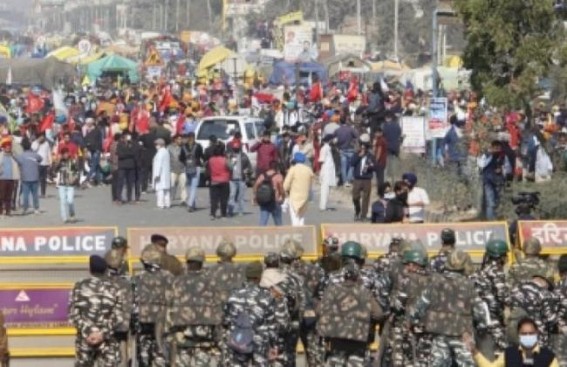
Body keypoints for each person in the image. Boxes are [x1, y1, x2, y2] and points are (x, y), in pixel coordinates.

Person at [409, 250, 488, 367]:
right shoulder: (468, 284)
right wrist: (482, 327)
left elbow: (419, 306)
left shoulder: (435, 281)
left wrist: (414, 322)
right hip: (463, 336)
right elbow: (480, 311)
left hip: (439, 335)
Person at [317, 262, 383, 367]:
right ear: (357, 277)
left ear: (343, 276)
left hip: (336, 338)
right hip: (358, 340)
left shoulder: (331, 290)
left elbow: (318, 310)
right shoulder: (365, 293)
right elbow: (379, 314)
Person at [168, 248, 223, 366]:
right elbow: (219, 309)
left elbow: (170, 309)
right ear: (202, 262)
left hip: (182, 335)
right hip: (205, 336)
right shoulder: (212, 282)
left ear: (187, 262)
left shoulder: (177, 282)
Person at [69, 255, 123, 367]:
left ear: (90, 269)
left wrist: (89, 332)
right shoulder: (114, 287)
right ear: (105, 269)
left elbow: (73, 314)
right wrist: (102, 334)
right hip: (108, 342)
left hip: (85, 341)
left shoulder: (79, 286)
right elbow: (118, 316)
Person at [222, 261, 278, 366]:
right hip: (260, 343)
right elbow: (272, 326)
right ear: (259, 276)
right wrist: (273, 345)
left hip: (239, 341)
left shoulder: (234, 296)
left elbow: (226, 321)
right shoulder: (267, 297)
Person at [131, 245, 174, 367]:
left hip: (143, 328)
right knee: (162, 360)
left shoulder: (137, 279)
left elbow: (132, 306)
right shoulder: (169, 278)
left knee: (144, 361)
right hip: (164, 328)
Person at [471, 239, 510, 358]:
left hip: (478, 317)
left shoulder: (481, 271)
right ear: (501, 257)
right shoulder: (496, 271)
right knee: (503, 349)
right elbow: (503, 295)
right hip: (492, 317)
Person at [472, 317, 559, 367]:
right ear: (519, 334)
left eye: (531, 333)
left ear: (536, 333)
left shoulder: (548, 357)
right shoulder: (509, 354)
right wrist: (474, 352)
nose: (528, 336)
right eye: (524, 334)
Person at [507, 270, 557, 347]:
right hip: (537, 338)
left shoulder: (515, 289)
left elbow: (510, 307)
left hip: (516, 334)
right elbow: (550, 319)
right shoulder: (544, 293)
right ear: (544, 281)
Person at [104, 249, 133, 367]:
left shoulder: (101, 282)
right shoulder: (127, 283)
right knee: (123, 357)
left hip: (104, 329)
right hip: (122, 329)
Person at [478, 140, 511, 220]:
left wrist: (502, 170)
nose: (497, 150)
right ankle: (491, 221)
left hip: (499, 182)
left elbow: (509, 169)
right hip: (488, 182)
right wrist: (490, 155)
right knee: (490, 202)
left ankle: (497, 218)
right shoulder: (486, 155)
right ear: (492, 148)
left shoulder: (503, 156)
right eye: (495, 148)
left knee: (498, 202)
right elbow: (481, 165)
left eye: (498, 148)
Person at [283, 152, 314, 226]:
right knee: (301, 218)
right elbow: (310, 185)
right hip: (305, 197)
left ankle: (296, 235)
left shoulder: (293, 169)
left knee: (295, 218)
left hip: (294, 197)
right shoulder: (309, 170)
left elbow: (285, 185)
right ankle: (302, 234)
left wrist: (285, 192)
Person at [14, 138, 42, 215]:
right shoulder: (35, 155)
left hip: (25, 177)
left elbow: (17, 160)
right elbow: (40, 159)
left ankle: (25, 208)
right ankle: (36, 208)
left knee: (25, 194)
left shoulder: (22, 156)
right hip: (35, 177)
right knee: (35, 194)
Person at [253, 160, 285, 226]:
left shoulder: (262, 175)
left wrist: (256, 196)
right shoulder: (278, 176)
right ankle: (280, 235)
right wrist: (283, 197)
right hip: (275, 201)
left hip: (264, 201)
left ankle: (260, 235)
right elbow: (281, 189)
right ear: (277, 168)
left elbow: (255, 186)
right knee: (278, 222)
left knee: (263, 222)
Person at [351, 141, 375, 222]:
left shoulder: (370, 156)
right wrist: (359, 156)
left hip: (367, 179)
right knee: (355, 197)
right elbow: (352, 163)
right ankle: (357, 210)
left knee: (366, 197)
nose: (362, 149)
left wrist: (371, 166)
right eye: (361, 147)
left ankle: (363, 215)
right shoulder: (356, 154)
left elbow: (375, 166)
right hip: (357, 178)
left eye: (364, 148)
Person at [179, 132, 204, 212]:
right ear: (194, 137)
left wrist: (186, 162)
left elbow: (181, 158)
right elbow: (201, 156)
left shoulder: (183, 147)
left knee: (189, 186)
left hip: (187, 167)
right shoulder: (198, 146)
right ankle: (190, 204)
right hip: (196, 167)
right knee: (194, 186)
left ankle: (193, 204)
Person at [227, 139, 252, 217]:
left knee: (241, 196)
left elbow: (249, 167)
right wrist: (230, 162)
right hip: (232, 179)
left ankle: (240, 211)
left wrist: (247, 171)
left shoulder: (244, 156)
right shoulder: (229, 156)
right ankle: (230, 211)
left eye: (237, 148)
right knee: (232, 195)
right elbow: (228, 167)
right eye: (234, 148)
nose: (235, 149)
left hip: (241, 179)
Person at [54, 147, 79, 223]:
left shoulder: (72, 162)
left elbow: (77, 172)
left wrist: (74, 179)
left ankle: (72, 214)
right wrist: (58, 161)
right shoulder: (60, 162)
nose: (66, 155)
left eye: (67, 153)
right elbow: (54, 170)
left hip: (70, 185)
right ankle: (64, 218)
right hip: (62, 184)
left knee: (70, 201)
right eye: (64, 153)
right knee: (62, 201)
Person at [207, 143, 231, 220]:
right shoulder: (225, 160)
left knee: (214, 199)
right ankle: (223, 214)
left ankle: (213, 214)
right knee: (224, 199)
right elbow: (231, 167)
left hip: (214, 180)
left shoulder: (211, 160)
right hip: (224, 181)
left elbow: (208, 168)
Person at [334, 117, 358, 187]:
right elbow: (357, 136)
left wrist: (337, 147)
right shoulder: (351, 129)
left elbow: (334, 139)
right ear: (346, 121)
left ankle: (344, 181)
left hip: (342, 149)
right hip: (350, 149)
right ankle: (348, 179)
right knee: (351, 166)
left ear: (340, 122)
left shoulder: (338, 130)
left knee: (343, 166)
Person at [117, 131, 138, 204]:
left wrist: (127, 152)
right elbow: (120, 154)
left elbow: (134, 153)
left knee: (130, 183)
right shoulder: (120, 144)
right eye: (127, 137)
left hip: (131, 165)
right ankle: (119, 198)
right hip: (122, 165)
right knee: (120, 182)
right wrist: (129, 153)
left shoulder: (132, 144)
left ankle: (130, 198)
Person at [0, 140, 19, 218]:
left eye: (9, 147)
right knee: (1, 195)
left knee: (9, 196)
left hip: (11, 178)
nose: (8, 148)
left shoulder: (13, 156)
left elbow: (18, 162)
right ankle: (1, 211)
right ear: (4, 148)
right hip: (2, 178)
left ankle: (8, 211)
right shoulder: (1, 156)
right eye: (6, 147)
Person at [318, 134, 337, 211]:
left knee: (327, 188)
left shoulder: (329, 148)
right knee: (325, 188)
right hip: (325, 170)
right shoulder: (324, 148)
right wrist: (321, 172)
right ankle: (322, 206)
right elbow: (321, 160)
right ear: (330, 140)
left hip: (328, 170)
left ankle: (324, 205)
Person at [382, 111, 402, 183]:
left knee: (386, 166)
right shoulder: (397, 125)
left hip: (387, 148)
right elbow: (399, 134)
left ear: (386, 117)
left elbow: (383, 136)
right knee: (394, 166)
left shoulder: (385, 126)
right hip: (396, 148)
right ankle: (394, 182)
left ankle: (386, 182)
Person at [152, 138, 171, 209]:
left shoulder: (160, 153)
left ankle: (161, 204)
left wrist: (157, 174)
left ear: (160, 145)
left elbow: (158, 164)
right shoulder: (166, 151)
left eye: (156, 144)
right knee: (166, 190)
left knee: (160, 189)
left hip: (160, 174)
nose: (156, 146)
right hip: (166, 173)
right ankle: (167, 203)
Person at [168, 134, 187, 204]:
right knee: (172, 185)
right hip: (172, 169)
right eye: (179, 139)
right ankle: (171, 196)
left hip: (182, 169)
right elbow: (167, 158)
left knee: (183, 185)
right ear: (175, 140)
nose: (180, 140)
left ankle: (183, 199)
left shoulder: (184, 148)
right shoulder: (169, 147)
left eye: (181, 139)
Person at [31, 132, 52, 198]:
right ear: (38, 136)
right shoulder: (34, 143)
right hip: (37, 163)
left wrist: (50, 161)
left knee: (44, 180)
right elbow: (33, 150)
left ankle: (43, 193)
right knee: (36, 179)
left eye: (43, 136)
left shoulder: (46, 143)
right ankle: (35, 193)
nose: (42, 137)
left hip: (45, 163)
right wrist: (38, 143)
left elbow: (49, 152)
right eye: (41, 136)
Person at [373, 128, 387, 194]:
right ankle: (380, 191)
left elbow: (379, 151)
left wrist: (376, 160)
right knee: (380, 177)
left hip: (380, 162)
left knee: (380, 178)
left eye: (377, 133)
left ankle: (380, 191)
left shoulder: (380, 141)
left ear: (380, 133)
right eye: (375, 133)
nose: (375, 134)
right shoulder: (382, 140)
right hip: (383, 161)